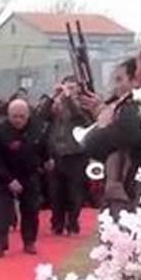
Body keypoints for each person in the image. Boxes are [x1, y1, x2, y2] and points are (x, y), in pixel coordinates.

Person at [80, 58, 141, 216]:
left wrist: (104, 120)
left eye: (120, 79)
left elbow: (96, 144)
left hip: (132, 188)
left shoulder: (133, 109)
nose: (116, 86)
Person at [0, 99, 50, 258]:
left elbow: (43, 148)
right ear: (8, 115)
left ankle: (29, 241)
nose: (18, 120)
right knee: (1, 212)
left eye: (21, 116)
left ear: (28, 115)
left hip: (29, 174)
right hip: (5, 175)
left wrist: (47, 160)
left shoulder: (38, 128)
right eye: (14, 116)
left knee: (31, 209)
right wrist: (9, 180)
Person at [43, 77, 92, 235]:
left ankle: (72, 222)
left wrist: (69, 98)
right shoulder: (56, 107)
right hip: (56, 154)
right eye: (66, 87)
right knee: (56, 192)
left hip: (76, 155)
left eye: (72, 87)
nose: (67, 90)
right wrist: (53, 96)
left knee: (75, 191)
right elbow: (40, 115)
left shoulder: (84, 105)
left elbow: (81, 119)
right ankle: (57, 223)